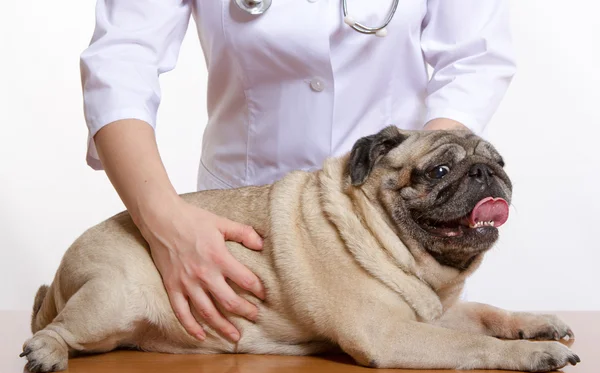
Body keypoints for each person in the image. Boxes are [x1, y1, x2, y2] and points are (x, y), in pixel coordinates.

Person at [79, 0, 516, 343]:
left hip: (391, 235)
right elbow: (121, 61)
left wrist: (434, 175)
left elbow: (474, 57)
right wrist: (164, 221)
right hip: (239, 233)